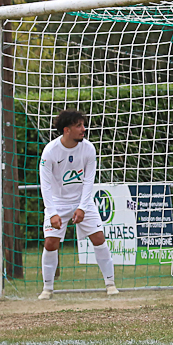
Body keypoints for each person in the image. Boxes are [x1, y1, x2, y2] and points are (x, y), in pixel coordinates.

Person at [39, 109, 117, 300]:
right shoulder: (50, 151)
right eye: (78, 126)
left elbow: (89, 181)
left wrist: (82, 207)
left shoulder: (89, 149)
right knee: (50, 242)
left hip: (83, 201)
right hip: (57, 203)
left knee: (99, 238)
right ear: (66, 130)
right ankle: (47, 289)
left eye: (83, 125)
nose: (83, 129)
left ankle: (110, 284)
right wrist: (52, 212)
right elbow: (45, 185)